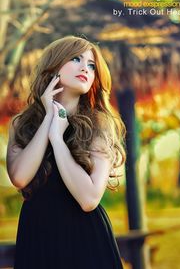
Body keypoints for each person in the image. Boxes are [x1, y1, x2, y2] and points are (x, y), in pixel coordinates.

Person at [6, 35, 126, 269]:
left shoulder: (99, 124)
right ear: (53, 66)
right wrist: (49, 119)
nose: (85, 68)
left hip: (86, 240)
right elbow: (19, 177)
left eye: (91, 65)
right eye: (76, 59)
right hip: (37, 236)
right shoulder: (21, 124)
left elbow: (89, 199)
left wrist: (58, 140)